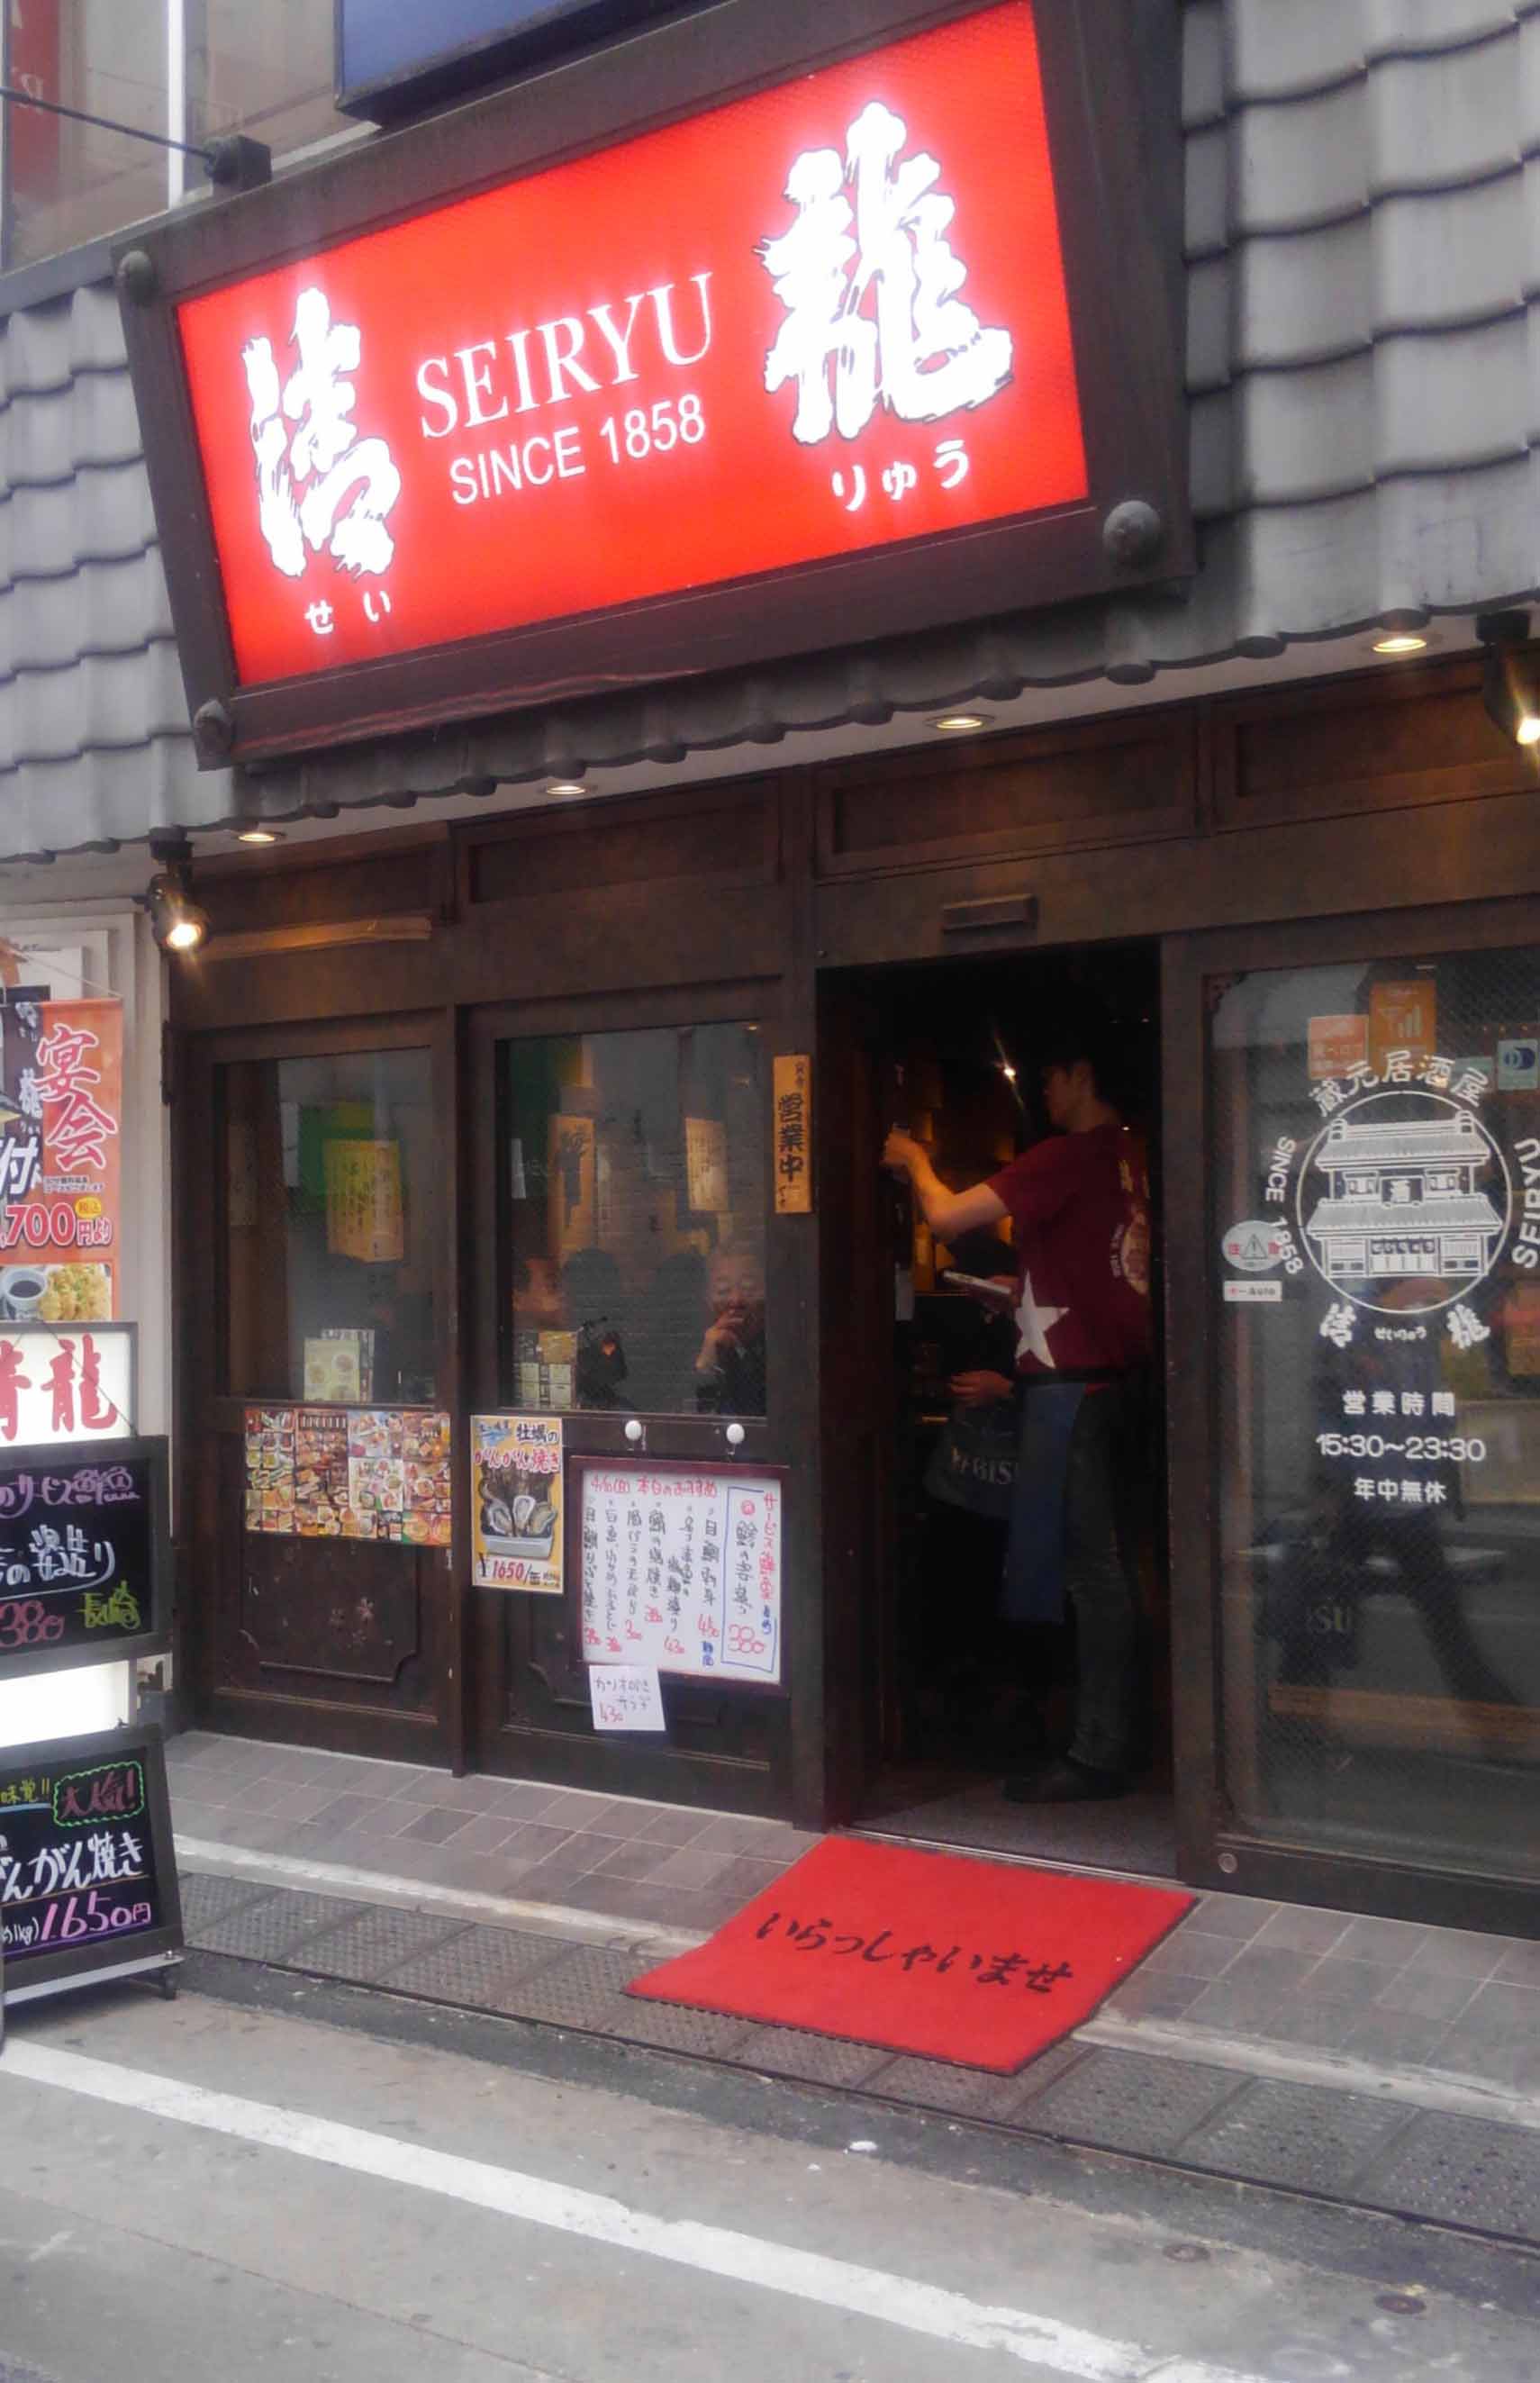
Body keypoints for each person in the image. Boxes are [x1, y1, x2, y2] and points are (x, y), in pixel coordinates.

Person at [883, 1027, 1153, 1802]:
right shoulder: (1129, 1158)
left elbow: (946, 1219)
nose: (1043, 1093)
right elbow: (1097, 1279)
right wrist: (1018, 1297)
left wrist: (914, 1161)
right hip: (1110, 1385)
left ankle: (1098, 1751)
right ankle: (1105, 1732)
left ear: (1081, 1072)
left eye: (1051, 1078)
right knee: (1102, 1567)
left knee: (1091, 1573)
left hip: (1072, 1392)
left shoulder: (1068, 1155)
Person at [694, 1245, 767, 1415]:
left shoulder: (785, 1355)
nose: (736, 1300)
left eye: (749, 1288)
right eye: (723, 1291)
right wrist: (705, 1367)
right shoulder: (693, 1351)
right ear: (708, 1299)